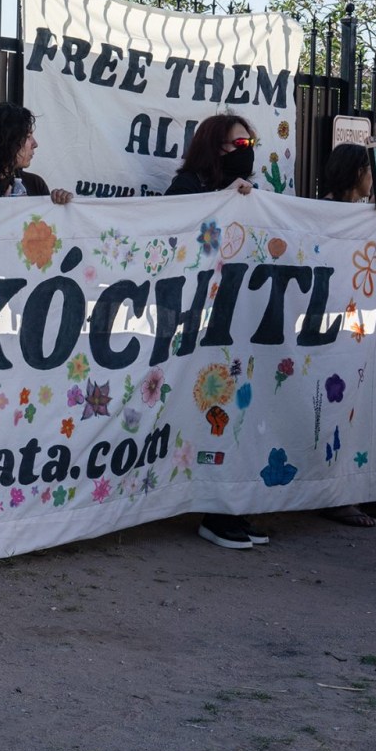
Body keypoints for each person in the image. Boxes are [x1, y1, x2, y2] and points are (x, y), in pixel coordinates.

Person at [165, 114, 265, 550]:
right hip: (193, 327)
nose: (247, 152)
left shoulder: (250, 195)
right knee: (203, 417)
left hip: (234, 324)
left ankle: (229, 508)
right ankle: (211, 510)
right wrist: (222, 202)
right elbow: (174, 241)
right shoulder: (186, 187)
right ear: (214, 147)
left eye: (250, 144)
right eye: (237, 146)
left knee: (235, 417)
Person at [319, 142, 376, 526]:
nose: (375, 181)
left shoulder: (372, 217)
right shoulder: (324, 212)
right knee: (339, 411)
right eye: (371, 172)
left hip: (366, 330)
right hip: (332, 330)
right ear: (357, 174)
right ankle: (339, 497)